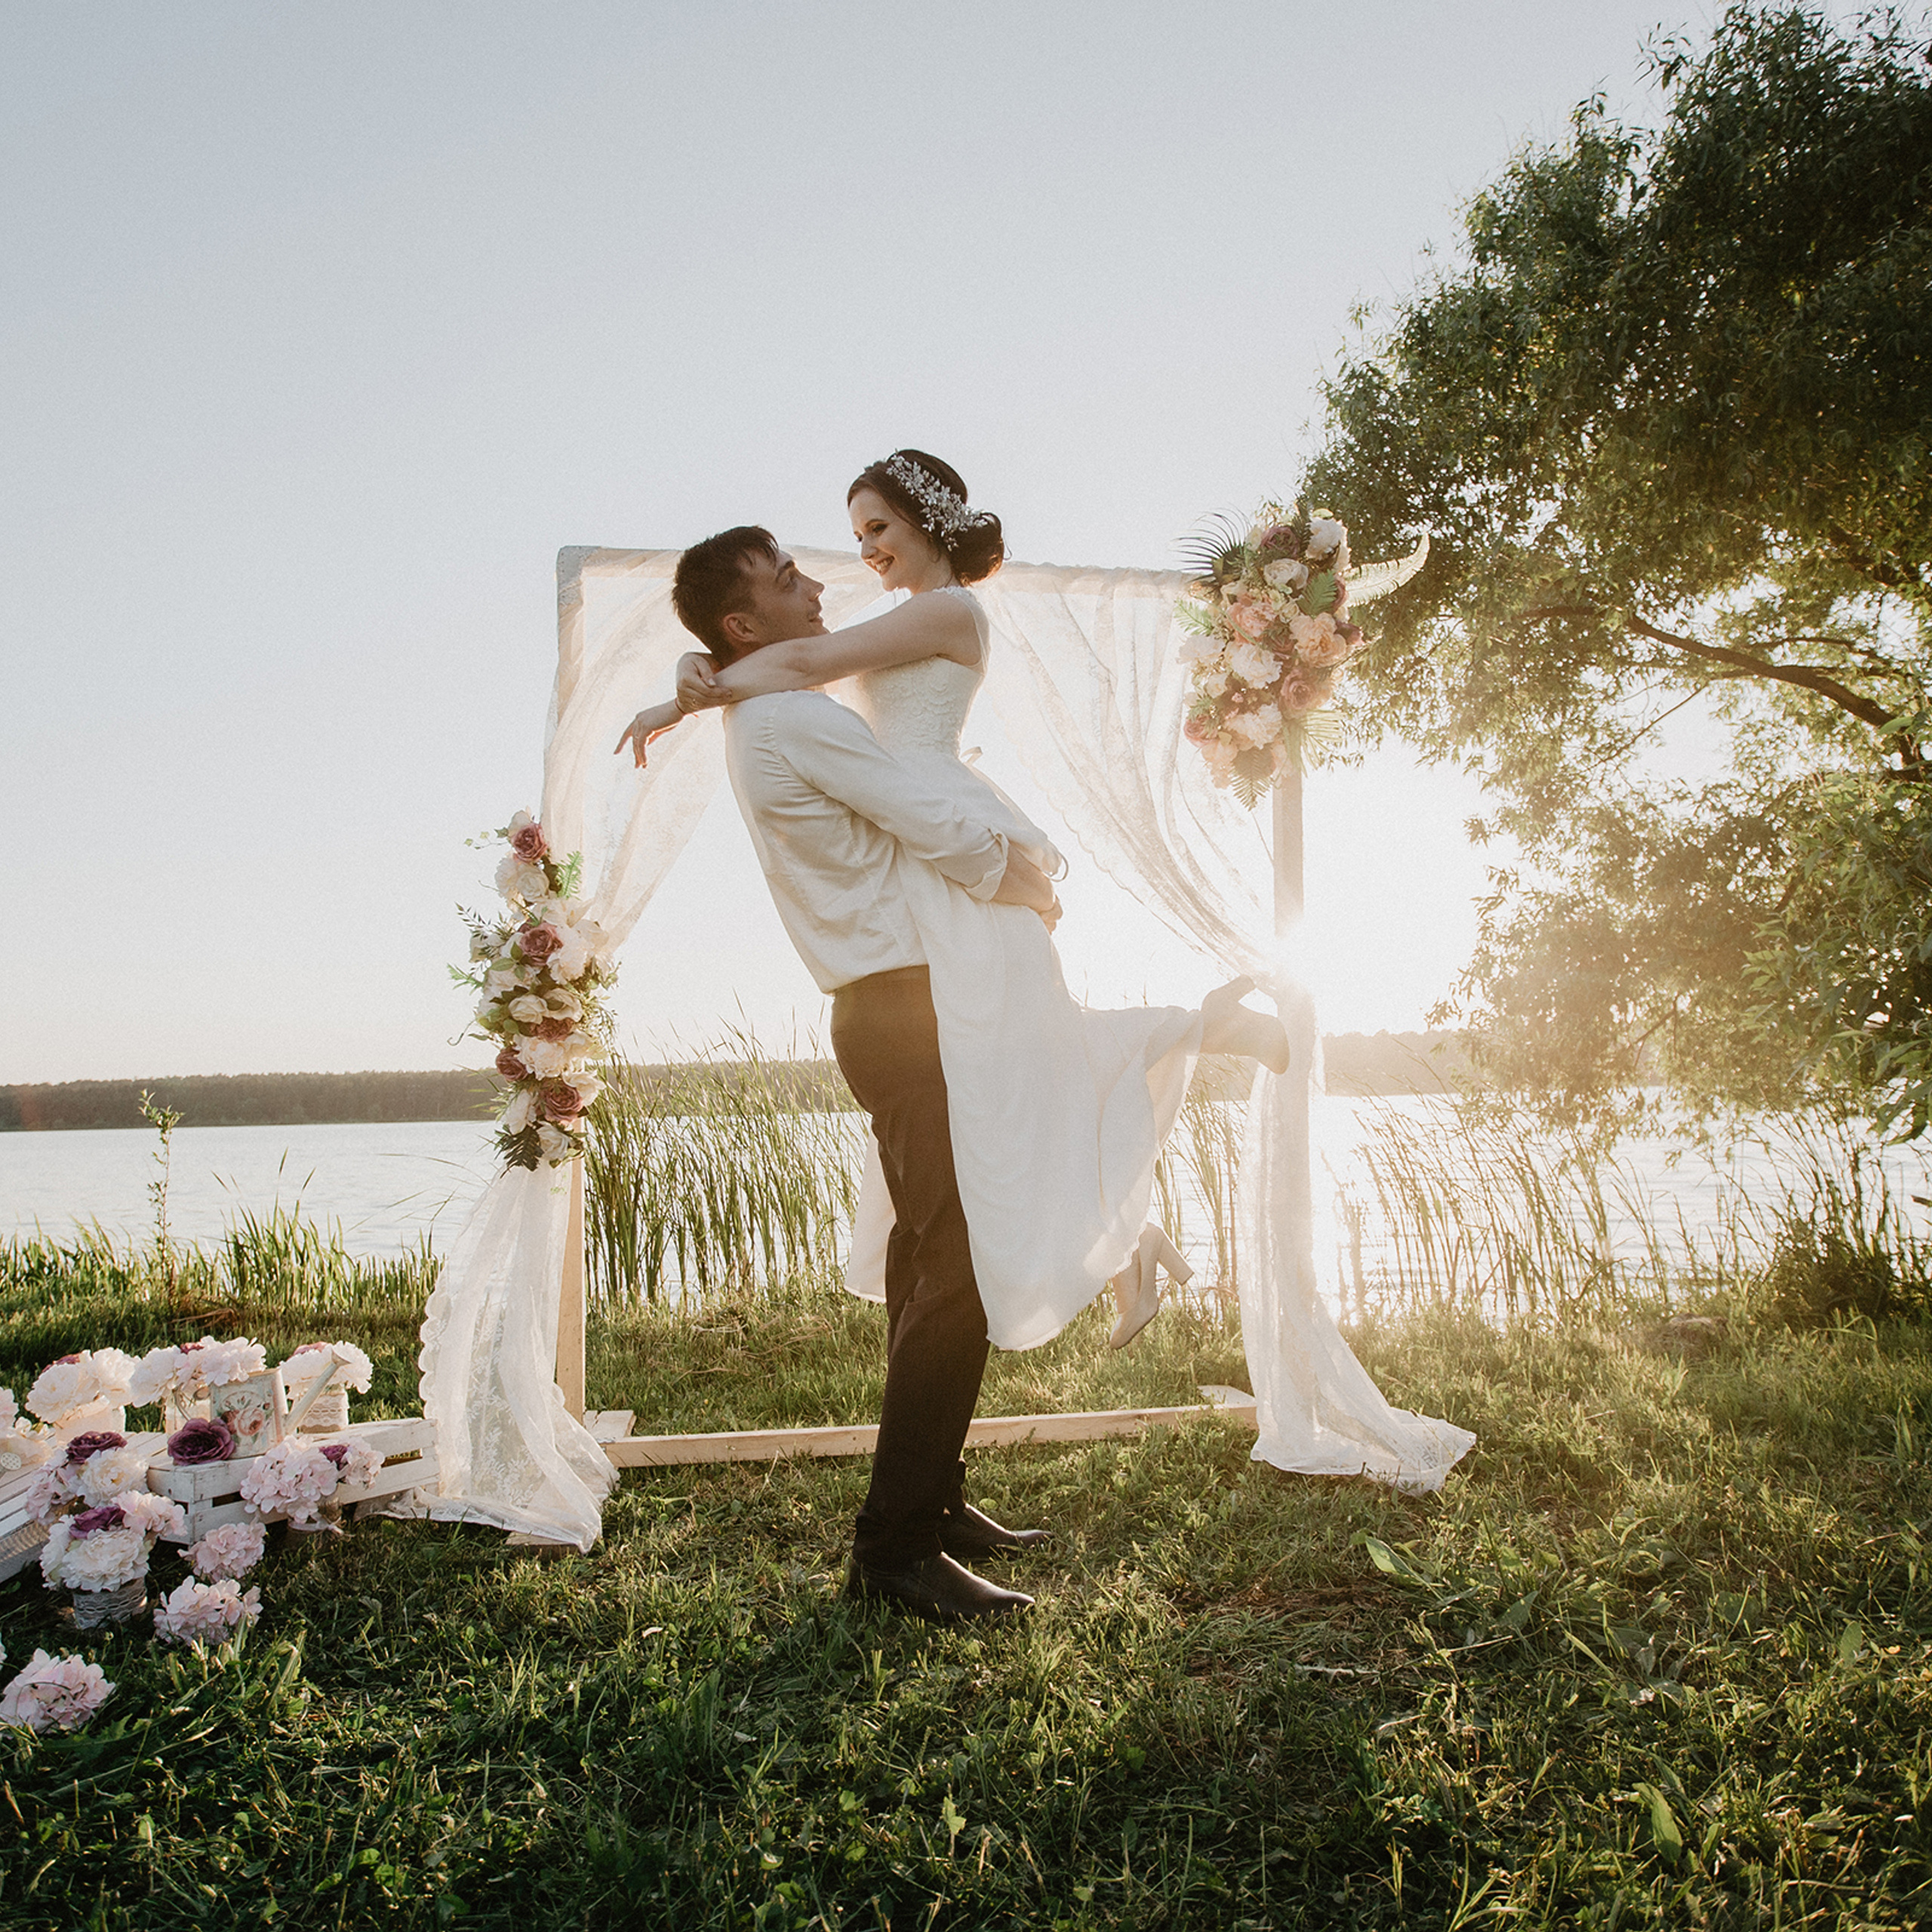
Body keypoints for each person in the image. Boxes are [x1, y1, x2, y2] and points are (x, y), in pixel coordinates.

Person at [616, 461, 1286, 1623]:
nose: (822, 576)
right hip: (900, 1002)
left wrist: (694, 682)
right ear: (744, 623)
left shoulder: (792, 694)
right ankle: (893, 1550)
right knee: (956, 1265)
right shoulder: (790, 714)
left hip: (898, 996)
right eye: (788, 573)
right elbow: (918, 811)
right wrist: (1012, 873)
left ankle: (934, 1502)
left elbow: (861, 741)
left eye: (863, 534)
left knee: (924, 1255)